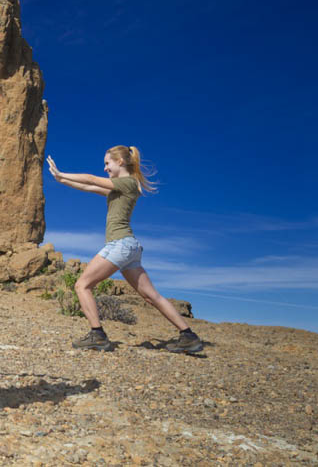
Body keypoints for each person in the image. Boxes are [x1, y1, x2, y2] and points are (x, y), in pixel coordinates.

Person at [46, 146, 203, 354]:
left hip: (120, 245)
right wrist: (62, 180)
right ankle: (188, 336)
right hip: (130, 248)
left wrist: (62, 172)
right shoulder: (121, 187)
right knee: (151, 297)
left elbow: (92, 179)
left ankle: (97, 334)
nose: (105, 168)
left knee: (82, 285)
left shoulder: (128, 183)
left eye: (107, 163)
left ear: (120, 162)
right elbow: (89, 188)